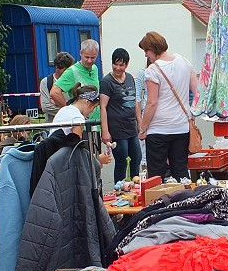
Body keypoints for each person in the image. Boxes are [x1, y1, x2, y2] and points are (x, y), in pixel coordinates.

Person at [138, 31, 196, 180]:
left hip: (158, 129)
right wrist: (191, 115)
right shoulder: (184, 62)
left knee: (157, 175)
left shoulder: (153, 70)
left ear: (152, 48)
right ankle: (183, 201)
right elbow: (197, 93)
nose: (146, 55)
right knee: (180, 172)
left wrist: (143, 129)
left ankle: (159, 202)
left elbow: (152, 102)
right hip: (181, 127)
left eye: (146, 51)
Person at [99, 48, 141, 181]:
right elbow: (103, 106)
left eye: (121, 65)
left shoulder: (129, 78)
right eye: (115, 64)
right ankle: (119, 189)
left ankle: (136, 186)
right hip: (117, 128)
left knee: (137, 157)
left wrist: (139, 122)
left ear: (126, 65)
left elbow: (135, 101)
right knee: (122, 160)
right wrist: (105, 131)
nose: (118, 68)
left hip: (131, 127)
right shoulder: (106, 82)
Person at [54, 87, 115, 168]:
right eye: (93, 107)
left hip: (55, 155)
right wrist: (97, 158)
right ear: (87, 102)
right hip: (64, 161)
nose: (92, 112)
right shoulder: (78, 119)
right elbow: (77, 150)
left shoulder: (65, 109)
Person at [51, 39, 101, 120]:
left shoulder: (94, 68)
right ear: (80, 53)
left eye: (93, 57)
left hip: (96, 122)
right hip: (81, 124)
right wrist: (69, 111)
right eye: (86, 57)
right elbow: (54, 92)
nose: (89, 61)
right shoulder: (72, 71)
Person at [40, 52, 75, 122]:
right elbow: (46, 107)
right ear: (56, 67)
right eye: (64, 70)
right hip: (53, 125)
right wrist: (70, 111)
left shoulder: (74, 80)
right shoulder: (46, 82)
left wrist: (56, 103)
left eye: (69, 70)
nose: (67, 73)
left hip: (72, 125)